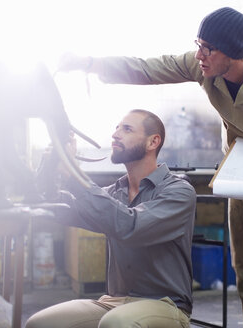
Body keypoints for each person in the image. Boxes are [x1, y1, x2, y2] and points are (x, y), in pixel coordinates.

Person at [58, 7, 243, 327]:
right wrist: (90, 63)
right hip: (241, 169)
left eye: (208, 48)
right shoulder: (203, 67)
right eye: (199, 43)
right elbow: (148, 69)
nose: (199, 54)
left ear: (234, 53)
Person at [26, 109, 196, 328]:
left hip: (166, 305)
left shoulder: (179, 192)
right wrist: (50, 166)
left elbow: (130, 226)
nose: (115, 134)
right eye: (116, 128)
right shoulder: (115, 193)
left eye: (127, 129)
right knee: (39, 324)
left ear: (153, 142)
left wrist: (73, 172)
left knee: (116, 323)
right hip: (114, 303)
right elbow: (57, 207)